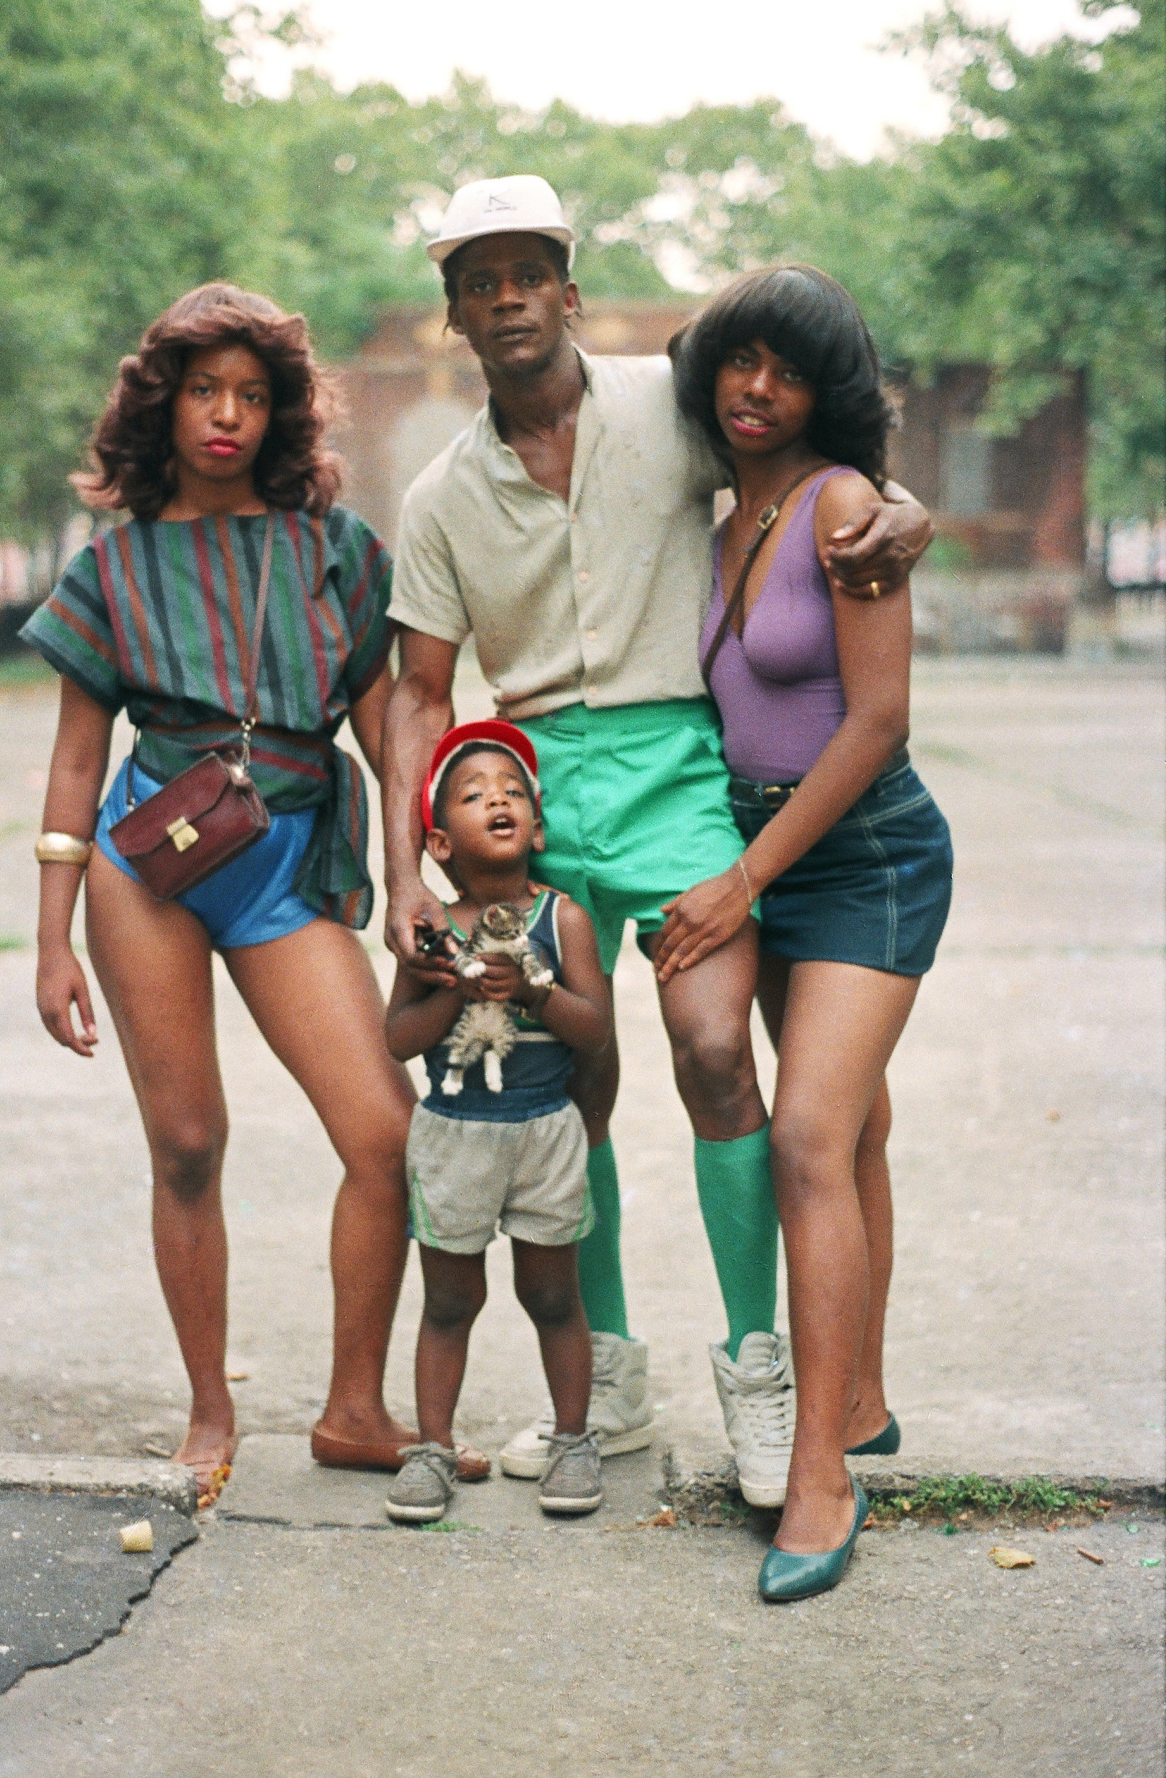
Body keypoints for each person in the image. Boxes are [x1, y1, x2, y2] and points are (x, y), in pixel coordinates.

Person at [381, 175, 935, 1506]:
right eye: (478, 277)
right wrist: (404, 864)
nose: (506, 295)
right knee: (566, 1079)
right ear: (455, 310)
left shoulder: (672, 404)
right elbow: (415, 686)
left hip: (683, 764)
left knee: (709, 1050)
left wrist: (904, 507)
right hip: (535, 789)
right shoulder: (442, 495)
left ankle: (760, 1371)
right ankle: (607, 1380)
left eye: (530, 270)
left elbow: (804, 469)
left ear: (569, 287)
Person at [22, 282, 421, 1506]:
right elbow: (79, 761)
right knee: (187, 1142)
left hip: (286, 860)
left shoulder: (334, 552)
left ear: (282, 412)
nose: (229, 417)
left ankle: (355, 1405)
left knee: (383, 1135)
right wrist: (52, 942)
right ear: (165, 401)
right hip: (150, 869)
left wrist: (415, 873)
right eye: (207, 391)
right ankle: (208, 1406)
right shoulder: (116, 567)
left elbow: (384, 716)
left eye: (253, 395)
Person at [659, 263, 953, 1600]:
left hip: (866, 853)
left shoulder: (846, 510)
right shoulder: (724, 516)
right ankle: (866, 1388)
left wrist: (742, 880)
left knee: (810, 1135)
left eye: (784, 366)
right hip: (767, 850)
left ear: (824, 389)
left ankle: (826, 1475)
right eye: (738, 361)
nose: (756, 387)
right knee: (859, 1128)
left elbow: (876, 720)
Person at [383, 720, 612, 1524]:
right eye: (476, 795)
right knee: (448, 1301)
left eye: (513, 792)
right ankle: (434, 1449)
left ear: (537, 827)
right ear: (439, 843)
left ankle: (576, 1440)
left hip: (545, 1129)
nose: (499, 800)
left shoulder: (564, 920)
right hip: (453, 1132)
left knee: (554, 1295)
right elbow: (398, 1038)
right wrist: (452, 986)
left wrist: (531, 992)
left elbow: (595, 1028)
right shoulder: (429, 926)